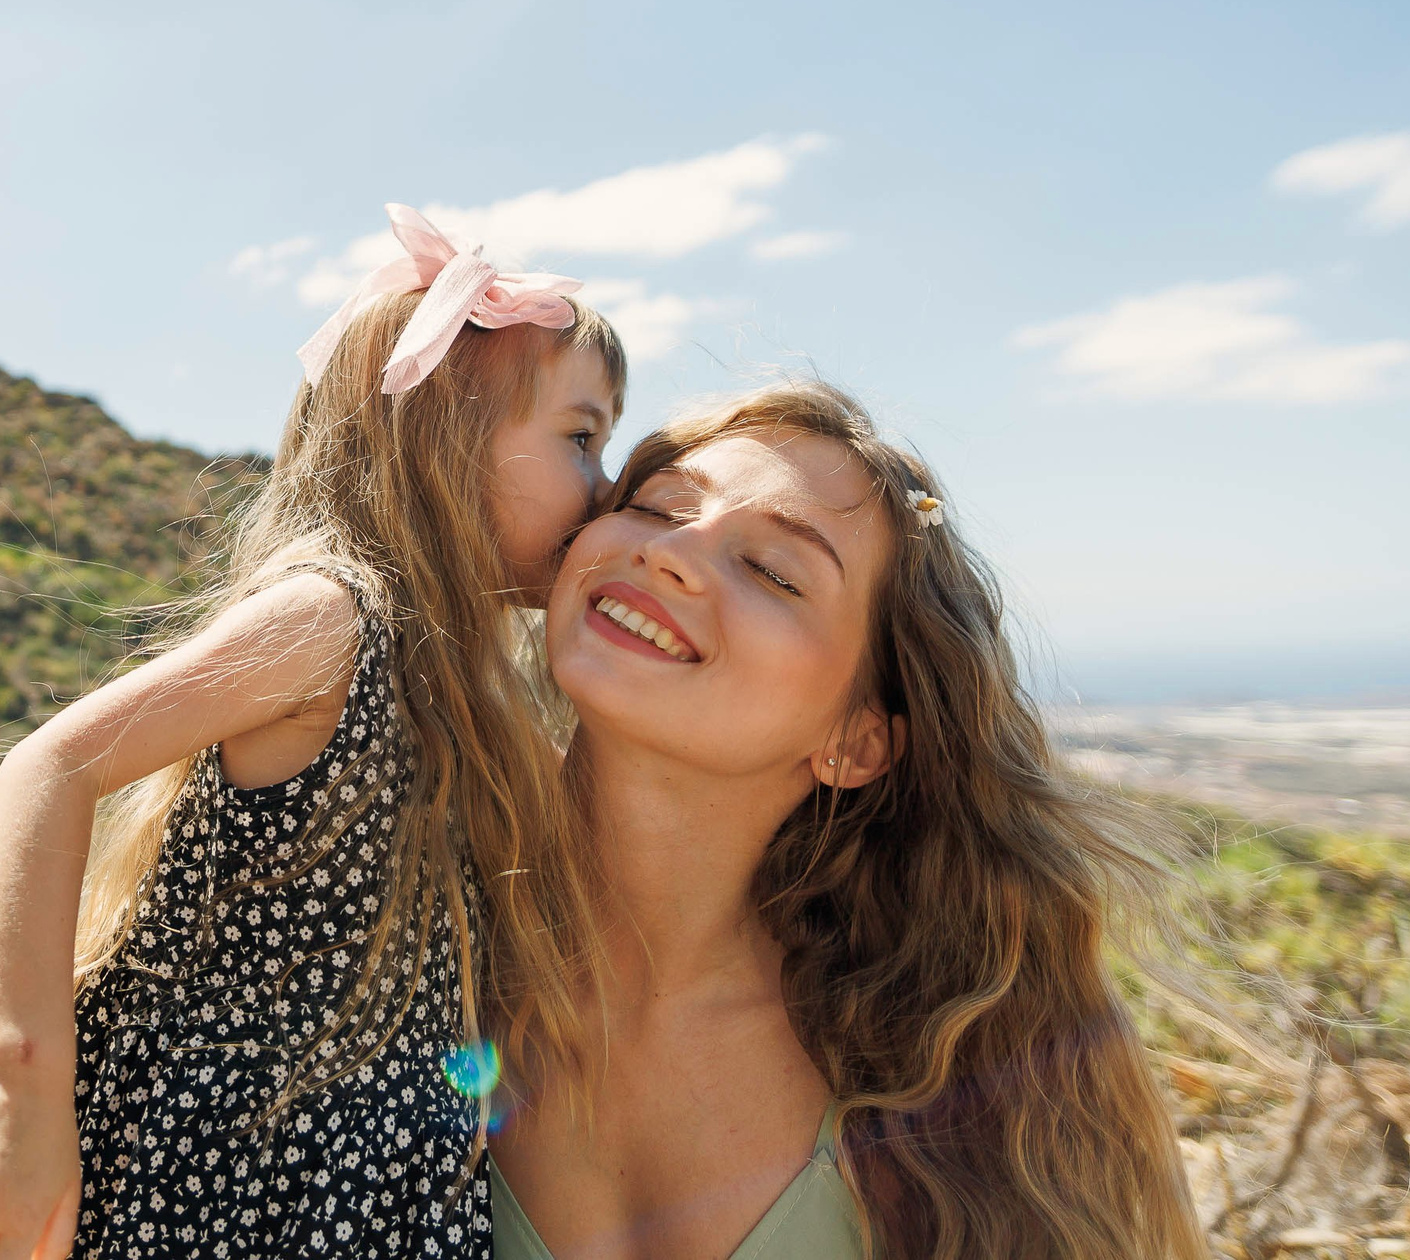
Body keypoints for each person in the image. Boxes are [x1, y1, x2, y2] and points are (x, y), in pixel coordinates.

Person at [0, 205, 625, 1260]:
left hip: (378, 1189)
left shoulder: (489, 701)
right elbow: (48, 766)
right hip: (219, 1171)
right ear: (447, 433)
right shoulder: (332, 622)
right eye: (579, 438)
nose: (604, 490)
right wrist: (18, 1089)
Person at [492, 379, 1206, 1260]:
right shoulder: (399, 935)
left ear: (856, 740)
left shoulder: (939, 1087)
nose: (671, 554)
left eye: (772, 570)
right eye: (657, 506)